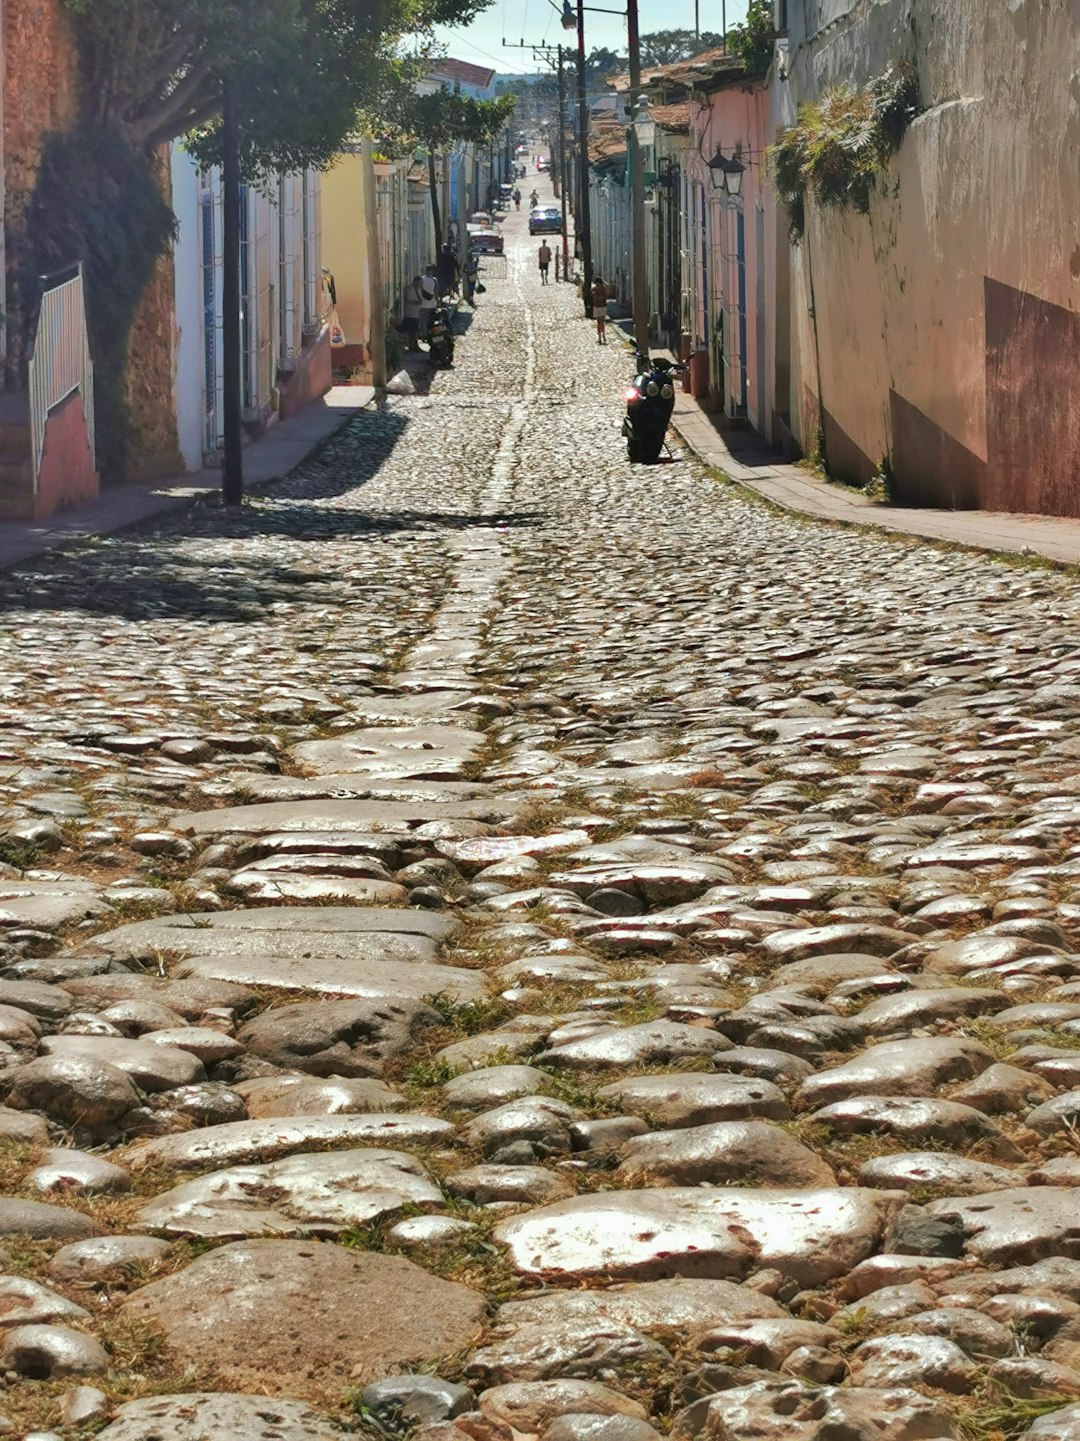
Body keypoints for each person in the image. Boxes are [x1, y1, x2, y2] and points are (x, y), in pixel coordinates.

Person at [402, 275, 422, 350]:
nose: (419, 285)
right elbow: (410, 300)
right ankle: (412, 346)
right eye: (418, 283)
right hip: (410, 314)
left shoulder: (418, 290)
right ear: (414, 282)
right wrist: (418, 302)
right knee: (412, 332)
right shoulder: (410, 289)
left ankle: (415, 345)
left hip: (416, 314)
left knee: (415, 331)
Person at [420, 265, 439, 339]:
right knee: (432, 320)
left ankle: (424, 335)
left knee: (423, 321)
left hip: (423, 304)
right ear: (432, 271)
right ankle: (433, 334)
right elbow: (436, 292)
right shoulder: (435, 280)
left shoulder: (422, 279)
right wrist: (437, 302)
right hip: (432, 304)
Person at [590, 275, 609, 344]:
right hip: (597, 307)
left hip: (602, 307)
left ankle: (603, 335)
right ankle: (600, 337)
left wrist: (603, 282)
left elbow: (608, 286)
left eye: (598, 283)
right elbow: (591, 293)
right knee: (598, 323)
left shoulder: (603, 289)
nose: (597, 284)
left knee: (602, 322)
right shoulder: (594, 289)